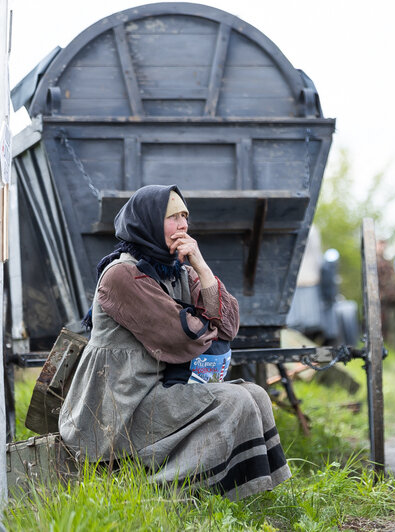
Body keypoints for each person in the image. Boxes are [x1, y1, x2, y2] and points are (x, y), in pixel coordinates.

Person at [59, 185, 291, 499]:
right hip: (118, 407)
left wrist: (202, 267)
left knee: (254, 393)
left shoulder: (177, 271)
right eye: (172, 217)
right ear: (148, 223)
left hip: (157, 390)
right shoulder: (122, 275)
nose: (182, 225)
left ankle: (253, 494)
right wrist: (206, 324)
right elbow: (182, 336)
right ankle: (163, 494)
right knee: (232, 400)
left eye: (185, 216)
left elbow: (229, 324)